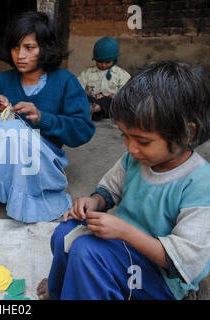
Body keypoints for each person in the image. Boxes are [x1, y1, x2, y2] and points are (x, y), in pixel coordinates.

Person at [37, 61, 210, 300]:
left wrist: (124, 231)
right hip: (125, 248)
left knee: (87, 253)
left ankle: (82, 287)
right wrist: (94, 202)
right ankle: (63, 288)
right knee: (65, 232)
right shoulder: (135, 159)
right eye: (125, 136)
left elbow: (184, 261)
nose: (131, 147)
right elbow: (111, 189)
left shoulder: (201, 183)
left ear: (186, 134)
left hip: (162, 279)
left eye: (143, 140)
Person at [0, 12, 95, 222]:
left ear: (45, 48)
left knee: (17, 131)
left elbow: (83, 129)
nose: (20, 55)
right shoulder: (4, 79)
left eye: (29, 48)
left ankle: (29, 199)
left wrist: (42, 118)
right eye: (15, 47)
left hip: (44, 157)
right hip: (10, 155)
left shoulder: (65, 81)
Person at [77, 37, 131, 121]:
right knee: (82, 97)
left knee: (110, 101)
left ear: (114, 59)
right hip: (92, 100)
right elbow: (77, 86)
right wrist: (84, 92)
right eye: (100, 61)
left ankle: (94, 109)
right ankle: (91, 108)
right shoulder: (87, 72)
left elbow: (127, 93)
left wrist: (117, 96)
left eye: (107, 62)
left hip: (110, 104)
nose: (103, 64)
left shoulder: (122, 74)